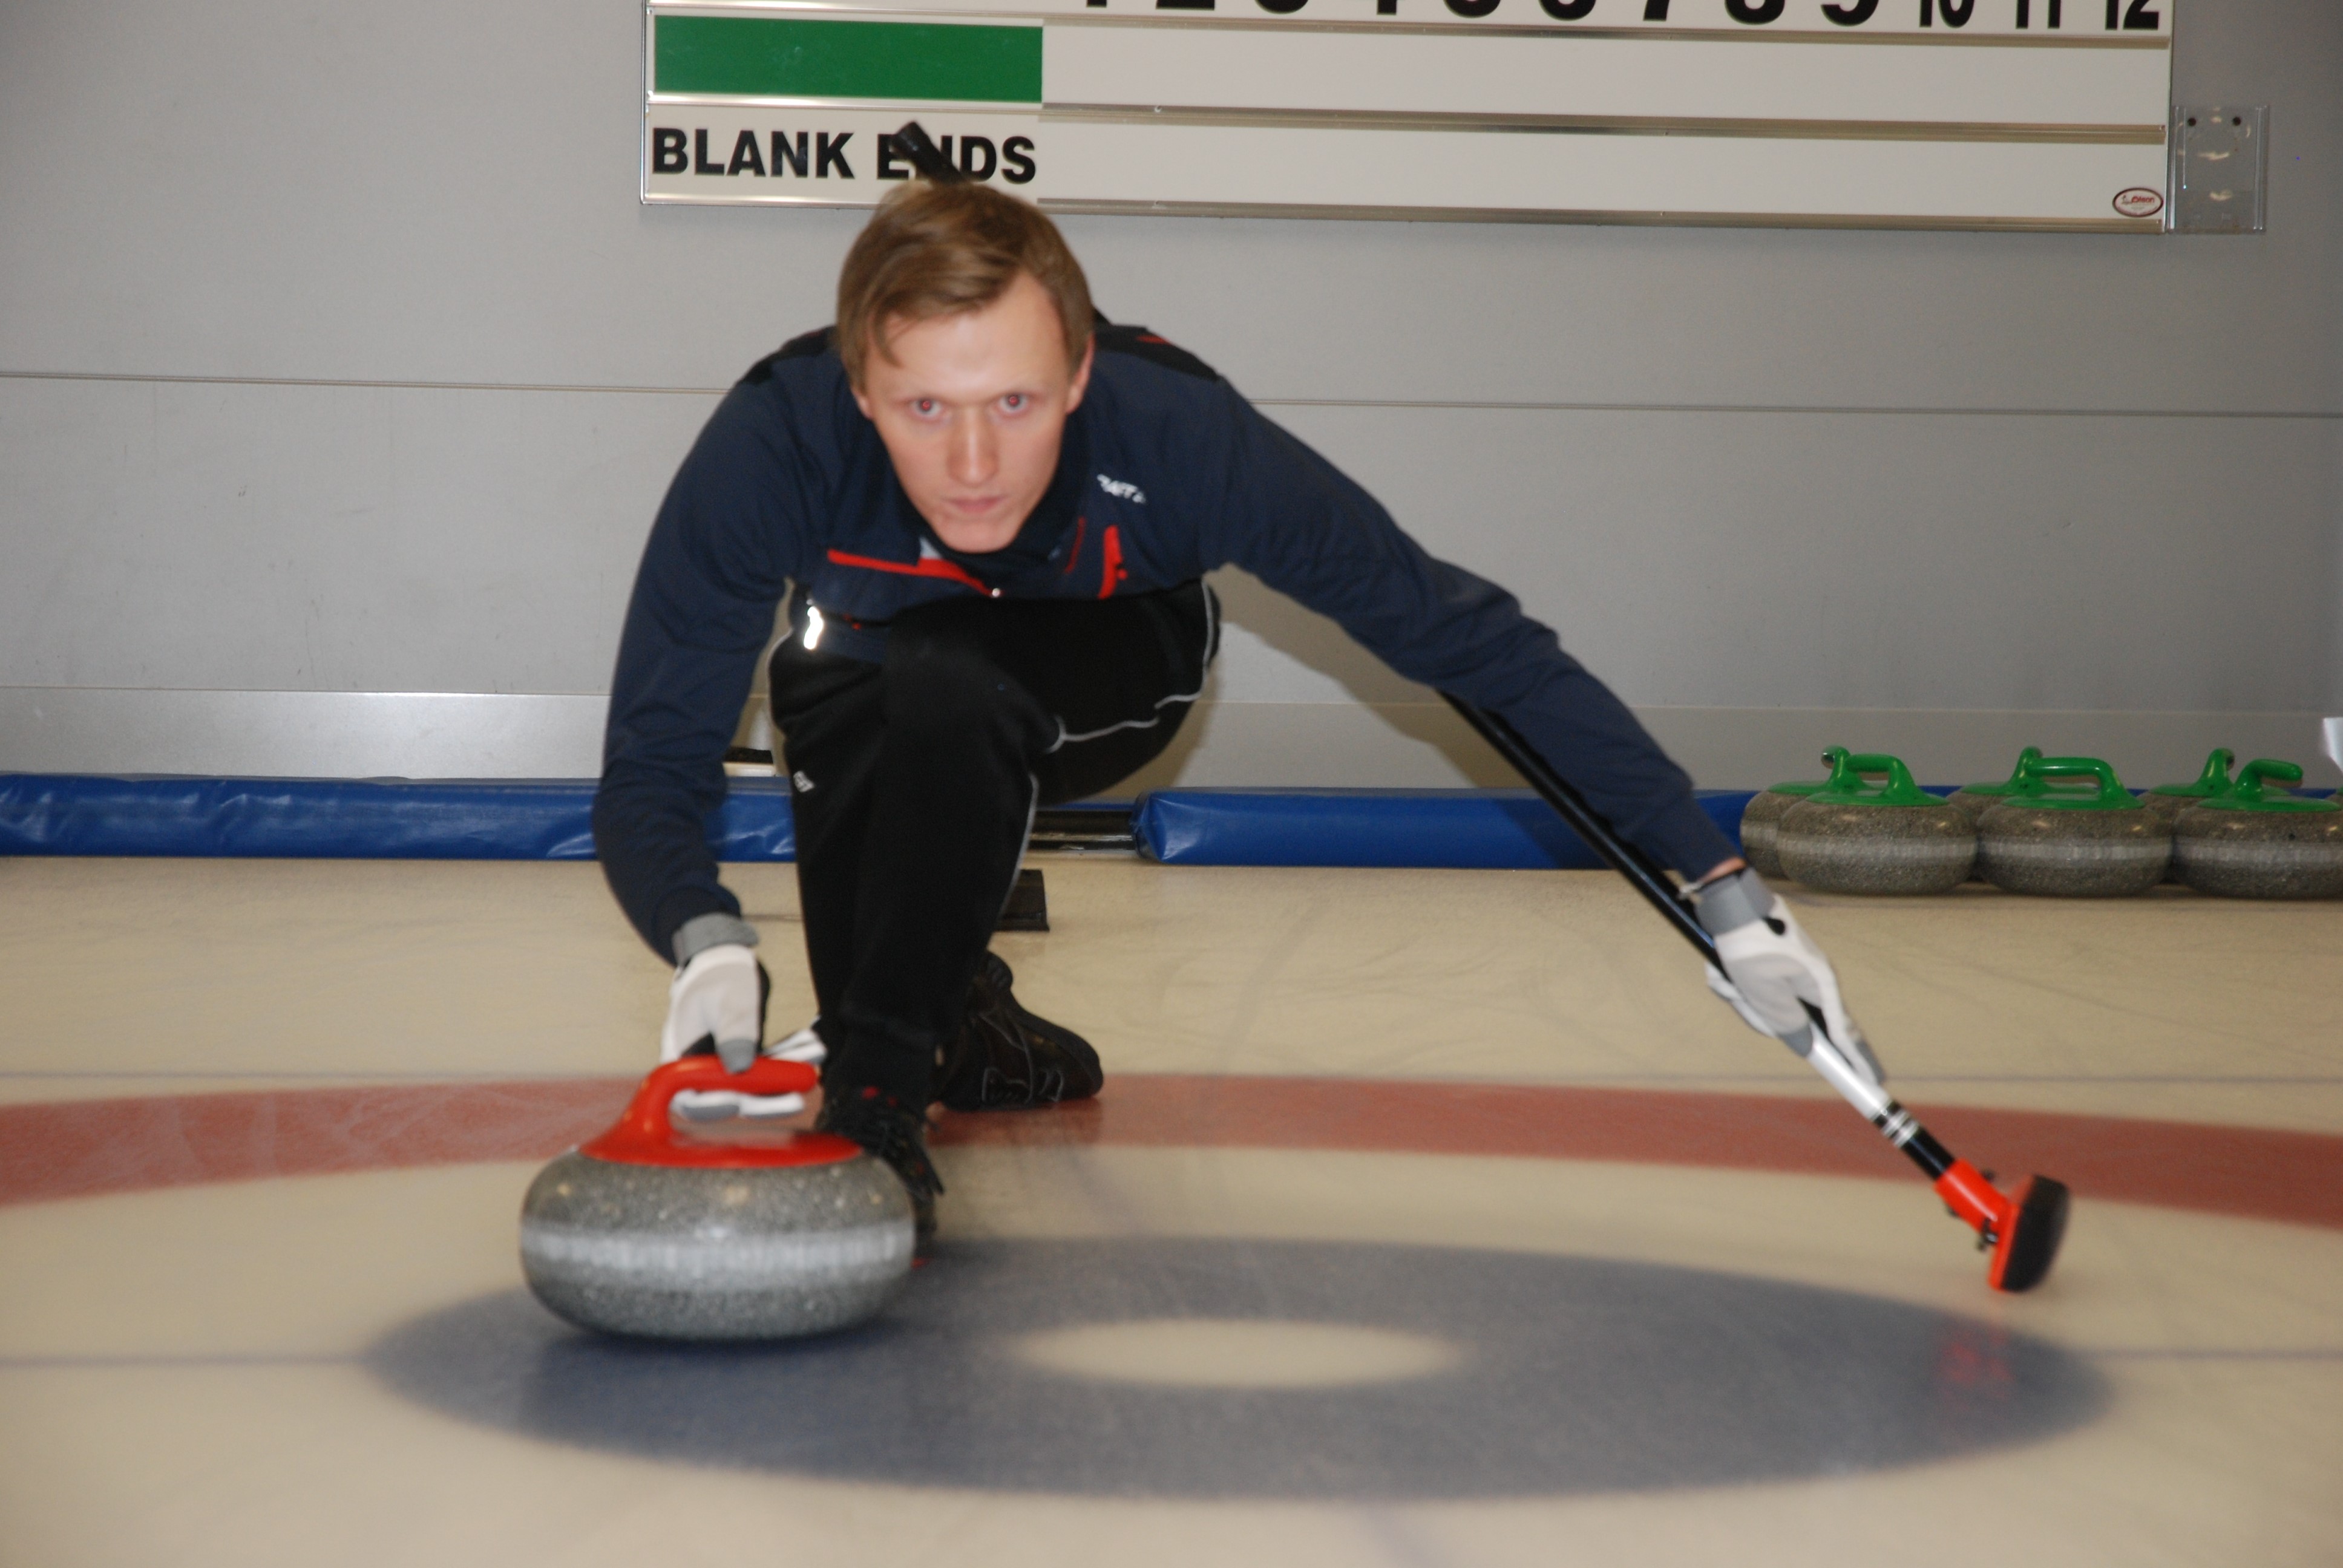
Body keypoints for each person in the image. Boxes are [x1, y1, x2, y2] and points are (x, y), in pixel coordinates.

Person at [594, 176, 1864, 1246]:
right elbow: (651, 763)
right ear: (860, 390)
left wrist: (1718, 881)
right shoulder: (774, 442)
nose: (973, 465)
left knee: (945, 682)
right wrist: (706, 936)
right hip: (892, 681)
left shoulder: (1184, 434)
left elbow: (1468, 641)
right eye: (926, 409)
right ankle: (959, 1020)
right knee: (839, 673)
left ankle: (875, 1105)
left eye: (1016, 405)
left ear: (1081, 373)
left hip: (1116, 673)